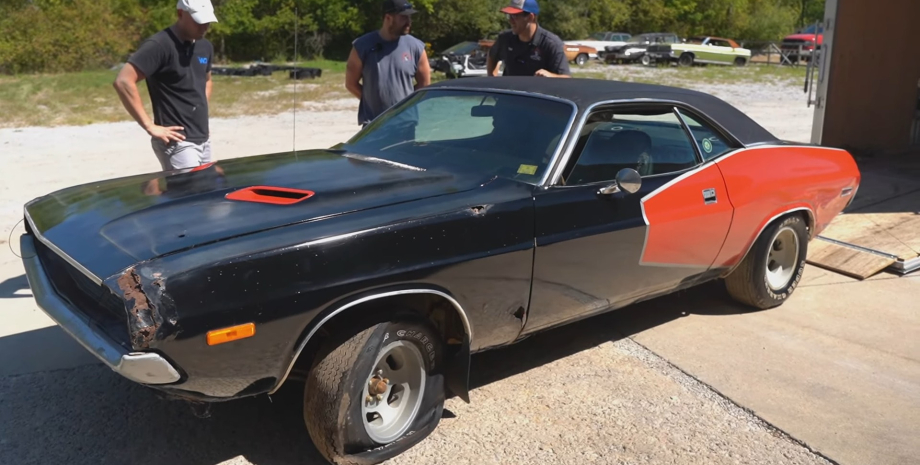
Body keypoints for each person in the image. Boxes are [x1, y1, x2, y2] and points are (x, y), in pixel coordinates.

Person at [113, 0, 218, 171]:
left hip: (203, 138)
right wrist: (150, 126)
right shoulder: (160, 45)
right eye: (198, 21)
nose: (204, 27)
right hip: (177, 142)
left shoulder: (205, 46)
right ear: (180, 14)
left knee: (205, 193)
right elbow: (123, 81)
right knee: (187, 193)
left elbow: (206, 80)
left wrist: (198, 113)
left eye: (207, 22)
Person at [346, 0, 431, 127]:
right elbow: (350, 84)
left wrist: (404, 106)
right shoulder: (362, 46)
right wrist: (371, 103)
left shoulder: (416, 47)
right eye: (403, 17)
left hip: (405, 124)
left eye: (410, 17)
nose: (409, 22)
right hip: (373, 125)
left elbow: (424, 85)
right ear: (388, 17)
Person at [486, 0, 570, 78]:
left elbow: (567, 78)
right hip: (511, 93)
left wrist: (550, 76)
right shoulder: (505, 39)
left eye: (515, 16)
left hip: (536, 93)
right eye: (509, 16)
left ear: (530, 17)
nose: (510, 21)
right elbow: (492, 55)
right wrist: (492, 78)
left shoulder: (551, 44)